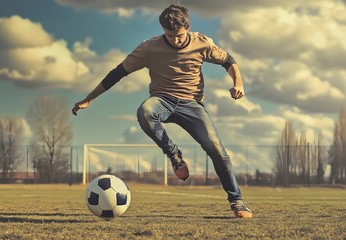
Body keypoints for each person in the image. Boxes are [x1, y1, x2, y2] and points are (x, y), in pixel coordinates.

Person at [72, 4, 252, 218]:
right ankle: (174, 154)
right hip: (162, 100)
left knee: (216, 150)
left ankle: (237, 202)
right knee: (145, 111)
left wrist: (238, 83)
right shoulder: (150, 48)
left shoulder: (202, 43)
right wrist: (89, 99)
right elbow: (117, 73)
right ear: (163, 30)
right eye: (170, 35)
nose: (175, 40)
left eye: (179, 35)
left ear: (187, 27)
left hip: (192, 105)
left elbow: (229, 61)